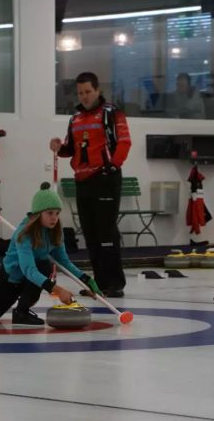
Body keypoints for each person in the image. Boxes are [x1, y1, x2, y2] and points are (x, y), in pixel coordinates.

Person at [0, 183, 102, 324]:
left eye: (57, 213)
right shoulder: (24, 234)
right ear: (38, 213)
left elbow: (64, 262)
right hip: (12, 278)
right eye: (49, 213)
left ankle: (21, 312)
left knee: (45, 265)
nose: (54, 218)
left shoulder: (56, 232)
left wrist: (86, 280)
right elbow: (28, 270)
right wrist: (58, 290)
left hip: (33, 276)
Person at [49, 72, 131, 298]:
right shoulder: (75, 118)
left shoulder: (112, 113)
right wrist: (59, 147)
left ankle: (115, 283)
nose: (84, 96)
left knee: (106, 231)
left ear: (97, 91)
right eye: (80, 93)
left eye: (88, 91)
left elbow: (124, 142)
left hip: (105, 178)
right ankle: (99, 282)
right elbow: (71, 148)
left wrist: (113, 166)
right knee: (90, 232)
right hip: (82, 180)